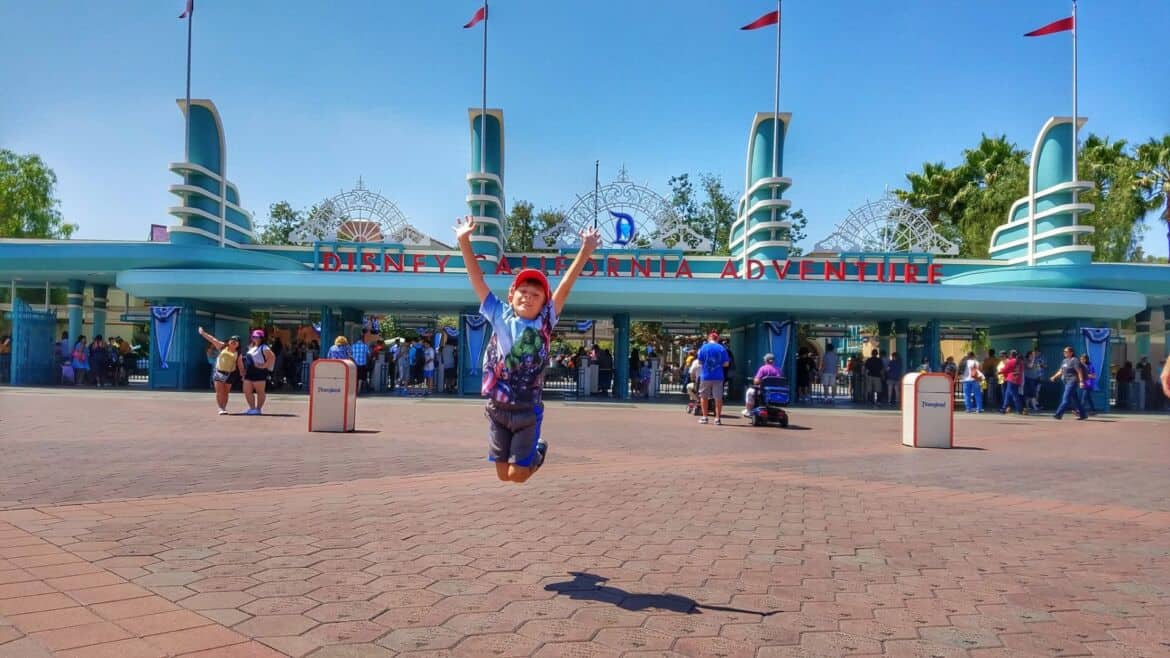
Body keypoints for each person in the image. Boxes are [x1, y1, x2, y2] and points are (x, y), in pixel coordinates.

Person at [456, 215, 600, 484]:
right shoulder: (499, 313)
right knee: (502, 476)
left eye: (536, 295)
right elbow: (476, 279)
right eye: (523, 291)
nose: (528, 297)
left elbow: (565, 287)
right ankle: (526, 454)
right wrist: (464, 241)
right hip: (497, 408)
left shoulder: (545, 321)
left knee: (518, 476)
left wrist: (584, 251)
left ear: (545, 302)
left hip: (527, 410)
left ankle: (538, 452)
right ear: (511, 294)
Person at [198, 327, 241, 415]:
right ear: (228, 341)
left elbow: (240, 365)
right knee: (219, 392)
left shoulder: (238, 353)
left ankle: (224, 407)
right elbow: (212, 339)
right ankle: (220, 408)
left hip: (230, 374)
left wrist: (243, 373)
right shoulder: (222, 346)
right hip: (218, 372)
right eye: (232, 339)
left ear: (238, 344)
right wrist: (203, 333)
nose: (233, 341)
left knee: (226, 392)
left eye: (236, 341)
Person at [696, 331, 730, 425]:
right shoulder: (721, 348)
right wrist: (718, 364)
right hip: (718, 376)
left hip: (706, 376)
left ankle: (705, 417)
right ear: (717, 339)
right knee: (718, 397)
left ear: (709, 338)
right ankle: (717, 418)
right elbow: (726, 363)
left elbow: (699, 362)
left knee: (704, 396)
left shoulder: (703, 347)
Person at [242, 329, 276, 415]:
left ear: (261, 338)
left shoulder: (264, 347)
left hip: (259, 373)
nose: (255, 338)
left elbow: (272, 357)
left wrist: (263, 366)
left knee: (260, 391)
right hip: (249, 373)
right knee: (247, 391)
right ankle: (252, 408)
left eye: (257, 337)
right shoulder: (252, 347)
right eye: (254, 336)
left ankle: (258, 409)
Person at [1050, 346, 1087, 421]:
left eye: (1066, 352)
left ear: (1071, 353)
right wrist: (1054, 377)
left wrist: (1081, 382)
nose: (1064, 353)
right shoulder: (1064, 361)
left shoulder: (1075, 360)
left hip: (1072, 381)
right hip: (1066, 382)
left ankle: (1058, 414)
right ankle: (1083, 415)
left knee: (1065, 399)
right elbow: (1061, 371)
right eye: (1064, 351)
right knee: (1076, 400)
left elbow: (1079, 371)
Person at [999, 350, 1024, 414]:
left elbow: (1005, 370)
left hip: (1011, 379)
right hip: (1018, 380)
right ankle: (1004, 408)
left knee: (1014, 395)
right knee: (1007, 394)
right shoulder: (1021, 362)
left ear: (1011, 355)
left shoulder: (1011, 361)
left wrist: (999, 371)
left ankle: (1019, 409)